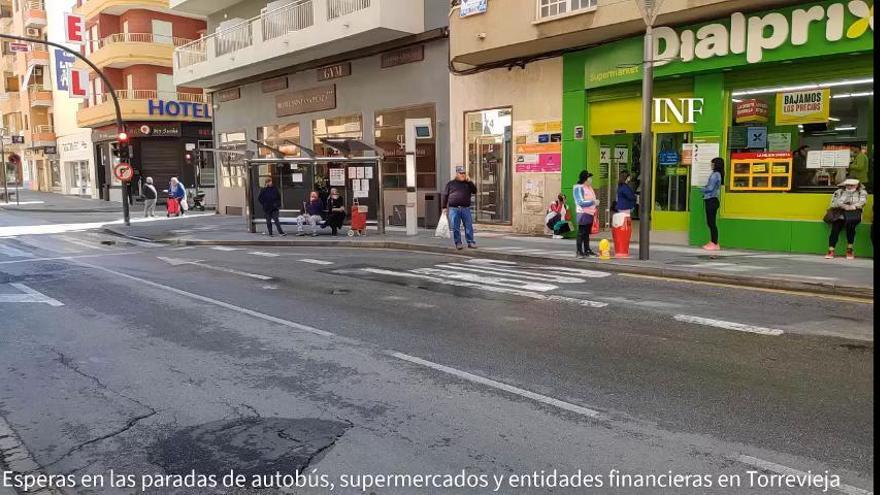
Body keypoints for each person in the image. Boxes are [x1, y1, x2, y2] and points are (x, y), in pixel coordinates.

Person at [826, 178, 867, 260]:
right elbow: (833, 203)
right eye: (848, 185)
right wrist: (844, 206)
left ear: (857, 185)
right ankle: (831, 250)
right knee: (834, 231)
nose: (850, 186)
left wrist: (853, 206)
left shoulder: (862, 192)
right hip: (840, 215)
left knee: (851, 230)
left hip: (853, 215)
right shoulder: (839, 192)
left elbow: (862, 202)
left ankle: (849, 250)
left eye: (852, 185)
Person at [442, 166, 477, 250]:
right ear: (457, 174)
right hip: (454, 209)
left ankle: (470, 242)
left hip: (465, 208)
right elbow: (445, 195)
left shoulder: (468, 183)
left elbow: (474, 191)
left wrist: (470, 181)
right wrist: (444, 207)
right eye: (461, 173)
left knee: (468, 226)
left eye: (464, 173)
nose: (462, 175)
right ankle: (458, 243)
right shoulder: (450, 184)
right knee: (455, 227)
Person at [573, 170, 598, 258]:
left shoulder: (589, 187)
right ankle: (579, 251)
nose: (591, 179)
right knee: (581, 233)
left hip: (590, 213)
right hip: (582, 213)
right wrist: (593, 202)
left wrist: (594, 204)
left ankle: (587, 250)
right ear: (585, 179)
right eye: (589, 178)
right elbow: (580, 202)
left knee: (586, 233)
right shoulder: (579, 188)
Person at [701, 157, 724, 251]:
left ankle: (714, 243)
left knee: (711, 223)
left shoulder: (715, 175)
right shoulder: (718, 174)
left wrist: (702, 189)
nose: (711, 165)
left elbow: (710, 188)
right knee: (711, 222)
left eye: (712, 164)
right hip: (713, 200)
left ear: (716, 165)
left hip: (711, 200)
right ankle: (714, 242)